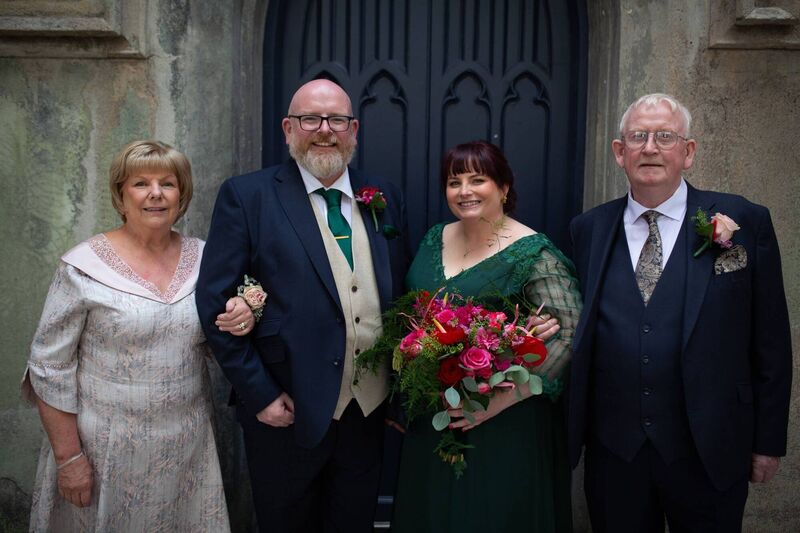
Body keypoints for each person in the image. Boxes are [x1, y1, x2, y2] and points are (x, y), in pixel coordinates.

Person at [568, 93, 793, 532]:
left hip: (711, 450)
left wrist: (768, 441)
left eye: (665, 136)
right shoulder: (588, 229)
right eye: (638, 136)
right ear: (620, 152)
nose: (650, 147)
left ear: (687, 152)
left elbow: (770, 339)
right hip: (616, 453)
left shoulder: (745, 220)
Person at [195, 79, 409, 532]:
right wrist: (262, 395)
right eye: (311, 119)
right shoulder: (248, 196)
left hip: (366, 411)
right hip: (285, 411)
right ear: (288, 128)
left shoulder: (384, 197)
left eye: (337, 120)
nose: (324, 130)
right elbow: (214, 305)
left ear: (355, 130)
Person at [23, 140, 254, 532]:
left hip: (187, 448)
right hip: (102, 452)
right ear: (120, 194)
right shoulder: (83, 266)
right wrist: (69, 459)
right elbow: (49, 366)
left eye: (168, 183)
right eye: (140, 183)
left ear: (182, 195)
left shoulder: (207, 259)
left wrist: (246, 313)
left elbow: (224, 336)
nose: (155, 194)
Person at [390, 140, 581, 532]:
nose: (464, 191)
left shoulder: (534, 252)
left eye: (478, 179)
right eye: (453, 181)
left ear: (504, 188)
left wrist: (498, 399)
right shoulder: (434, 238)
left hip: (505, 424)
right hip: (435, 416)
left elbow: (570, 334)